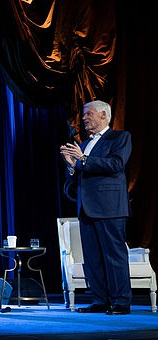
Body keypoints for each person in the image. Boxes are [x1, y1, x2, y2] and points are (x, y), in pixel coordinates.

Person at [60, 100, 132, 315]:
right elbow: (77, 175)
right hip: (87, 207)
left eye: (88, 114)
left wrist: (83, 159)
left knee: (114, 256)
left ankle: (121, 302)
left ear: (103, 115)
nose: (84, 118)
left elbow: (116, 164)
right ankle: (100, 300)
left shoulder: (119, 137)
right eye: (83, 114)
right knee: (93, 258)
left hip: (110, 207)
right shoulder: (84, 144)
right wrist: (72, 166)